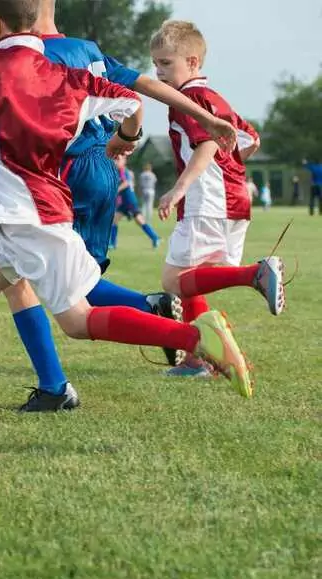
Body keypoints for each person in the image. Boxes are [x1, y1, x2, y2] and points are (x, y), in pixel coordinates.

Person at [0, 0, 253, 419]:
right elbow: (133, 101)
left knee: (78, 321)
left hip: (29, 218)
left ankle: (195, 338)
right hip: (35, 214)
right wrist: (125, 139)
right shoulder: (69, 77)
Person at [0, 0, 241, 412]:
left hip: (63, 173)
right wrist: (148, 131)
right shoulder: (87, 49)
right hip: (100, 170)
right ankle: (144, 319)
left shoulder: (30, 55)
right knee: (38, 278)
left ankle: (68, 378)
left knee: (59, 291)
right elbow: (141, 90)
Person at [150, 21, 285, 377]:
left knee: (174, 281)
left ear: (192, 63)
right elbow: (250, 139)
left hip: (207, 199)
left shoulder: (188, 100)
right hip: (233, 199)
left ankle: (255, 274)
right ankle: (200, 359)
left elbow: (209, 142)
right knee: (192, 276)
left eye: (166, 63)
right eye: (156, 64)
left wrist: (179, 187)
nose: (158, 72)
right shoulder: (216, 97)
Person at [110, 154, 161, 249]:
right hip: (124, 202)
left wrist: (115, 191)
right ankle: (113, 244)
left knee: (139, 220)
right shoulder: (118, 171)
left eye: (118, 159)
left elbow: (126, 183)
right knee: (114, 220)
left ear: (124, 161)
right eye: (115, 159)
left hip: (129, 200)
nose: (115, 161)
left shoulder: (123, 170)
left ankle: (155, 237)